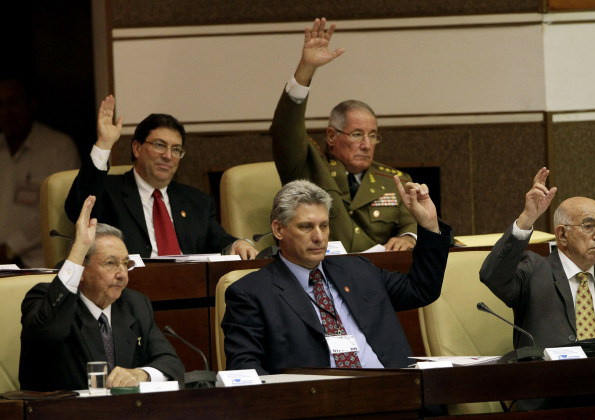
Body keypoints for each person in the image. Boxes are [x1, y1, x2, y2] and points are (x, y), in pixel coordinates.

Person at [222, 177, 451, 375]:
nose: (319, 237)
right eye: (306, 227)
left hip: (393, 394)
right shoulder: (251, 293)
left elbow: (422, 288)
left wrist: (429, 224)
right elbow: (244, 368)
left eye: (324, 225)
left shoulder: (359, 271)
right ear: (278, 229)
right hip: (319, 406)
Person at [479, 167, 595, 409]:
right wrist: (527, 220)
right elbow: (492, 275)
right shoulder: (534, 270)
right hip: (552, 397)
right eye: (589, 226)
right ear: (562, 235)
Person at [270, 18, 424, 253]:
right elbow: (285, 130)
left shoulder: (394, 181)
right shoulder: (308, 167)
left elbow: (412, 220)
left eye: (373, 135)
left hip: (377, 279)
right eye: (357, 134)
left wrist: (409, 237)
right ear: (331, 136)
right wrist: (305, 70)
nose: (366, 144)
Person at [20, 196, 185, 391]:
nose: (122, 274)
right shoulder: (45, 299)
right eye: (110, 263)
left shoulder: (135, 304)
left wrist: (141, 374)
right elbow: (49, 331)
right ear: (81, 269)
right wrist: (78, 251)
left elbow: (172, 364)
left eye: (125, 263)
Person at [65, 95, 257, 259]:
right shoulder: (109, 192)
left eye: (176, 149)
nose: (168, 155)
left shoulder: (198, 202)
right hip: (128, 291)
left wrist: (237, 244)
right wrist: (104, 143)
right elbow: (78, 210)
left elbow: (218, 240)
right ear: (137, 148)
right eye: (159, 145)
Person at [0, 74, 80, 267]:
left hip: (41, 264)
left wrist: (10, 248)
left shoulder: (59, 147)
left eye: (13, 103)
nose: (6, 112)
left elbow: (61, 209)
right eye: (0, 104)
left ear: (31, 104)